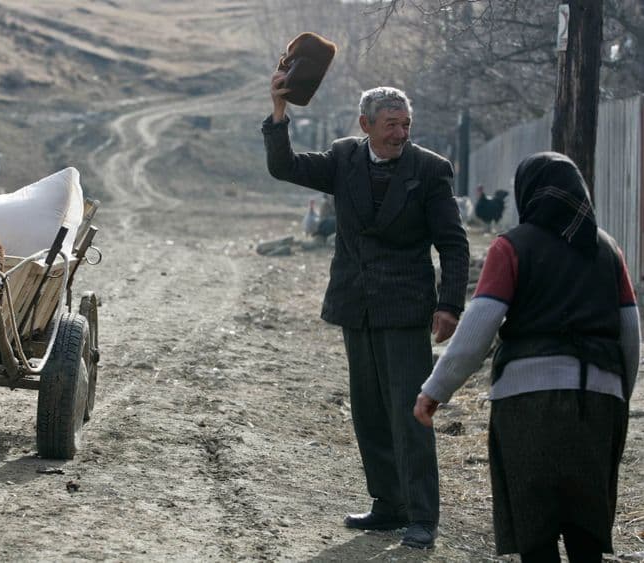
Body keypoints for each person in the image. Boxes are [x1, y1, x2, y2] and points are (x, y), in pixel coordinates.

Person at [262, 78, 469, 549]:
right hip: (357, 305)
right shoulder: (343, 158)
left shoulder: (431, 170)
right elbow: (285, 166)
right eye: (391, 124)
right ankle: (388, 505)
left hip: (404, 308)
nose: (400, 133)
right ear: (366, 125)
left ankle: (421, 516)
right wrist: (279, 111)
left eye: (406, 124)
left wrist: (449, 305)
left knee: (410, 412)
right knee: (369, 411)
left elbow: (453, 244)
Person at [414, 151, 640, 562]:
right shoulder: (609, 250)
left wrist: (436, 389)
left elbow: (479, 327)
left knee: (534, 525)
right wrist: (619, 391)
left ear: (527, 192)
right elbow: (630, 333)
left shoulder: (512, 246)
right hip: (599, 402)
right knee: (587, 524)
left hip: (528, 404)